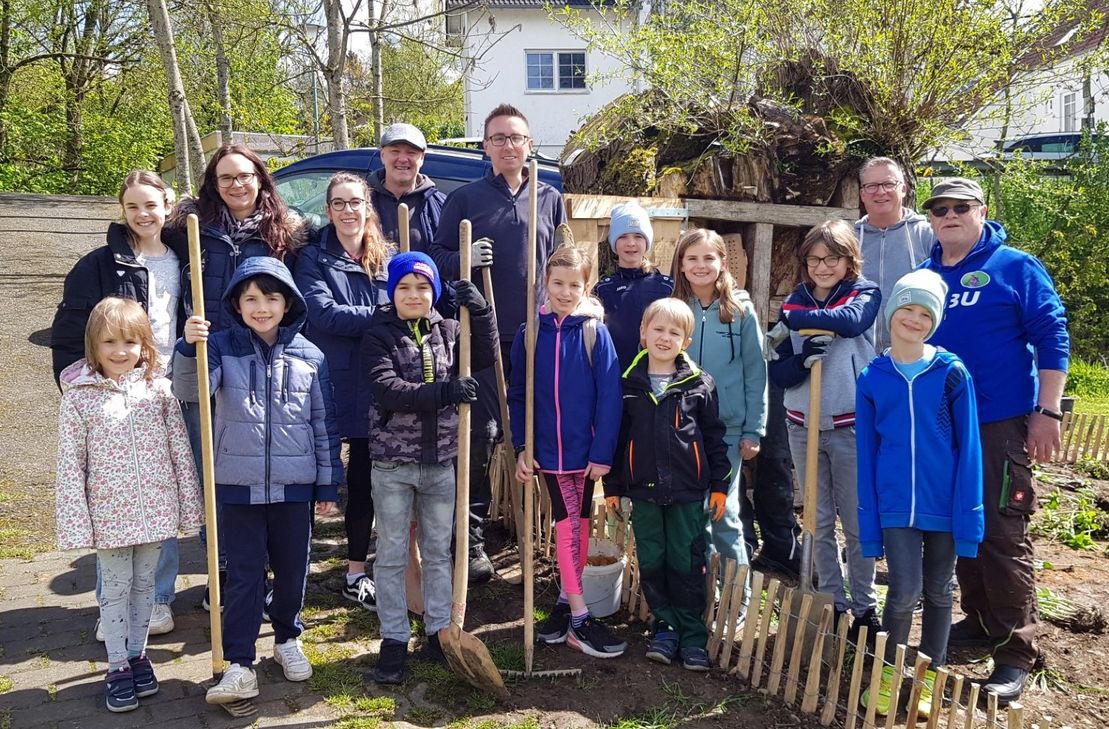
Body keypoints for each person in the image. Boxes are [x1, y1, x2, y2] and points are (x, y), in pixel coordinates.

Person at [920, 178, 1069, 704]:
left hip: (1000, 423)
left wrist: (1047, 410)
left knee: (1002, 533)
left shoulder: (1014, 266)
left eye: (961, 207)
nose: (949, 216)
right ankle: (981, 620)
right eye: (940, 210)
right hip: (940, 427)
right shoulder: (926, 276)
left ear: (982, 211)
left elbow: (1052, 334)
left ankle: (1014, 652)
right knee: (958, 527)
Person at [173, 257, 341, 704]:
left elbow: (323, 425)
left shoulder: (311, 355)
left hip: (294, 485)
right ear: (236, 304)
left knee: (292, 571)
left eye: (271, 297)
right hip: (237, 484)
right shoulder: (220, 348)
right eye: (251, 298)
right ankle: (239, 663)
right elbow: (190, 392)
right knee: (244, 577)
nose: (261, 307)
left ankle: (288, 638)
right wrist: (189, 348)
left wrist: (326, 485)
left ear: (288, 304)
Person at [430, 103, 567, 583]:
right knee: (481, 438)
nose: (509, 146)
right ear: (485, 146)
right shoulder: (464, 199)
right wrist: (463, 257)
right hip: (484, 336)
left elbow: (560, 263)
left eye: (516, 138)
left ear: (530, 145)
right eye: (498, 138)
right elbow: (437, 256)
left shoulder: (549, 198)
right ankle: (471, 544)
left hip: (537, 336)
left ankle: (552, 539)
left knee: (536, 435)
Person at [49, 170, 189, 638]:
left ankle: (158, 595)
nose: (143, 214)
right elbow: (71, 334)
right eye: (133, 206)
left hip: (173, 388)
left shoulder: (187, 259)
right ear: (123, 210)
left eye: (151, 205)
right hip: (122, 394)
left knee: (163, 487)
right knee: (121, 494)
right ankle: (115, 602)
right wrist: (81, 387)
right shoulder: (99, 265)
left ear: (168, 205)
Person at [170, 143, 308, 611]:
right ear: (212, 183)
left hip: (262, 362)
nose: (236, 185)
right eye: (225, 178)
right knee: (216, 468)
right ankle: (225, 570)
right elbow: (143, 241)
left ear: (261, 179)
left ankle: (263, 571)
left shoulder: (286, 235)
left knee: (264, 465)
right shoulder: (191, 229)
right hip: (209, 357)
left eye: (245, 176)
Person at [54, 298, 203, 713]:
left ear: (145, 346)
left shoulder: (158, 391)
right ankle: (116, 666)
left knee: (146, 589)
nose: (120, 351)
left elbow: (179, 452)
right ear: (93, 346)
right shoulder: (79, 399)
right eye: (109, 342)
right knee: (115, 592)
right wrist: (76, 522)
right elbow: (70, 464)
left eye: (130, 342)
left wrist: (187, 507)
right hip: (109, 517)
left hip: (155, 511)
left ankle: (138, 655)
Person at [361, 252, 497, 683]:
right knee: (392, 553)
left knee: (440, 551)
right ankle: (394, 639)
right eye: (404, 287)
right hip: (392, 463)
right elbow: (388, 390)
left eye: (423, 287)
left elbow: (487, 358)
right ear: (392, 293)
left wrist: (483, 313)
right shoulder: (378, 334)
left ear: (434, 291)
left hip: (441, 461)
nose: (414, 295)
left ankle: (439, 631)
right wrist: (445, 391)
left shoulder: (451, 329)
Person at [856, 269, 984, 718]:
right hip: (894, 507)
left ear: (935, 321)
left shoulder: (951, 374)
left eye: (924, 313)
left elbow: (969, 450)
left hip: (944, 505)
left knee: (939, 592)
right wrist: (869, 525)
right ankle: (889, 676)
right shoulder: (873, 377)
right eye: (906, 309)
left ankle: (930, 678)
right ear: (892, 312)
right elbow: (866, 455)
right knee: (902, 593)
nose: (913, 319)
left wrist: (970, 516)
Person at [767, 219, 881, 640]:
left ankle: (865, 606)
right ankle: (830, 599)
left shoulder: (863, 292)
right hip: (803, 424)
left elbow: (851, 322)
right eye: (814, 259)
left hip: (850, 424)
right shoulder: (795, 299)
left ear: (848, 260)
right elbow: (778, 370)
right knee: (816, 516)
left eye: (831, 258)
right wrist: (802, 360)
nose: (822, 267)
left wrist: (800, 320)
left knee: (856, 518)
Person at [510, 245, 624, 658]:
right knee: (566, 524)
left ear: (586, 285)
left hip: (585, 451)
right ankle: (579, 617)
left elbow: (610, 395)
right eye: (557, 283)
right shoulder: (531, 332)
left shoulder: (595, 332)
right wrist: (524, 446)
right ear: (545, 282)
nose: (564, 291)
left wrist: (602, 450)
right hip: (549, 454)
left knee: (579, 526)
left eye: (574, 284)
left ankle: (564, 602)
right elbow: (518, 396)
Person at [605, 298, 731, 671]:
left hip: (687, 494)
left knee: (688, 562)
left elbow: (714, 437)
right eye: (657, 329)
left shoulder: (700, 384)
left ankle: (693, 636)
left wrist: (720, 485)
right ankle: (666, 628)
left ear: (686, 342)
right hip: (643, 491)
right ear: (643, 333)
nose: (664, 337)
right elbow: (615, 437)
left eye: (674, 332)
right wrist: (613, 486)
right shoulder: (627, 383)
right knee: (653, 560)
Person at [294, 172, 392, 611]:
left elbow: (412, 301)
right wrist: (383, 315)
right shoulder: (313, 258)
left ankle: (355, 570)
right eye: (338, 203)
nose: (348, 211)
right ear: (328, 210)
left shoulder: (385, 258)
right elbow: (323, 314)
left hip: (376, 380)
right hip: (328, 380)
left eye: (356, 202)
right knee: (317, 476)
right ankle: (292, 572)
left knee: (364, 480)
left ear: (367, 207)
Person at [670, 228, 765, 586]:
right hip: (682, 431)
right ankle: (705, 592)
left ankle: (736, 599)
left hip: (727, 431)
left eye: (708, 258)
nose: (700, 265)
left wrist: (753, 429)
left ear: (723, 263)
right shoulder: (676, 311)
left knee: (724, 512)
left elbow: (756, 372)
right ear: (680, 264)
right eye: (692, 258)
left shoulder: (740, 311)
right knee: (694, 515)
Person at [853, 157, 933, 351]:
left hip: (914, 357)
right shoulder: (849, 240)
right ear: (862, 194)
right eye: (872, 186)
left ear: (904, 189)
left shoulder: (927, 235)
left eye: (889, 184)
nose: (881, 192)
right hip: (860, 357)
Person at [595, 201, 674, 368]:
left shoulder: (666, 287)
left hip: (656, 376)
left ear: (647, 242)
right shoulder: (603, 289)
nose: (631, 243)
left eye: (638, 236)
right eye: (623, 236)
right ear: (614, 243)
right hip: (617, 375)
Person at [368, 123, 447, 252]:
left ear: (422, 158)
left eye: (411, 153)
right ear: (382, 155)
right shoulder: (362, 203)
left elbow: (448, 259)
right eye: (395, 151)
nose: (403, 159)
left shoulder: (441, 206)